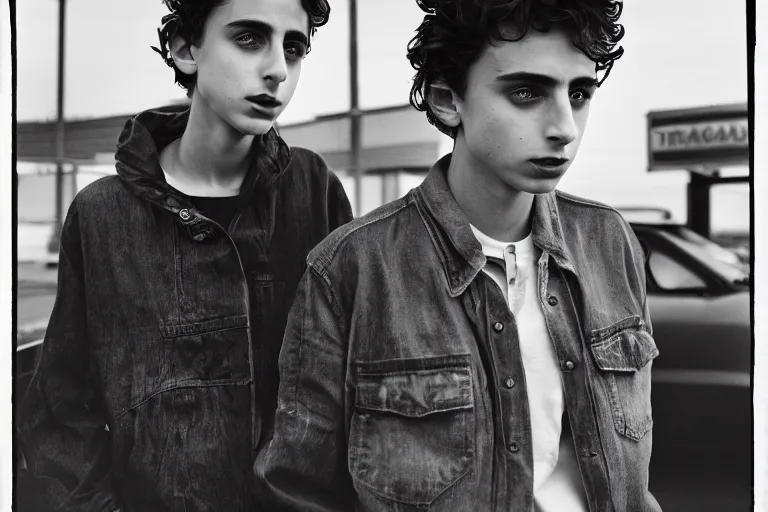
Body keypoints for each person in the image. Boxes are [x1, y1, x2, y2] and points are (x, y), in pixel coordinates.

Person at [256, 0, 662, 510]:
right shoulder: (352, 269)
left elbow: (634, 481)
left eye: (578, 93)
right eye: (526, 92)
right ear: (448, 100)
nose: (565, 126)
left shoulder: (609, 242)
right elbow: (298, 492)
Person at [17, 0, 352, 510]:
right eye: (248, 39)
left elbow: (354, 383)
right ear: (184, 49)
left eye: (294, 47)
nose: (277, 70)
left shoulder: (314, 190)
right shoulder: (102, 214)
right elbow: (62, 412)